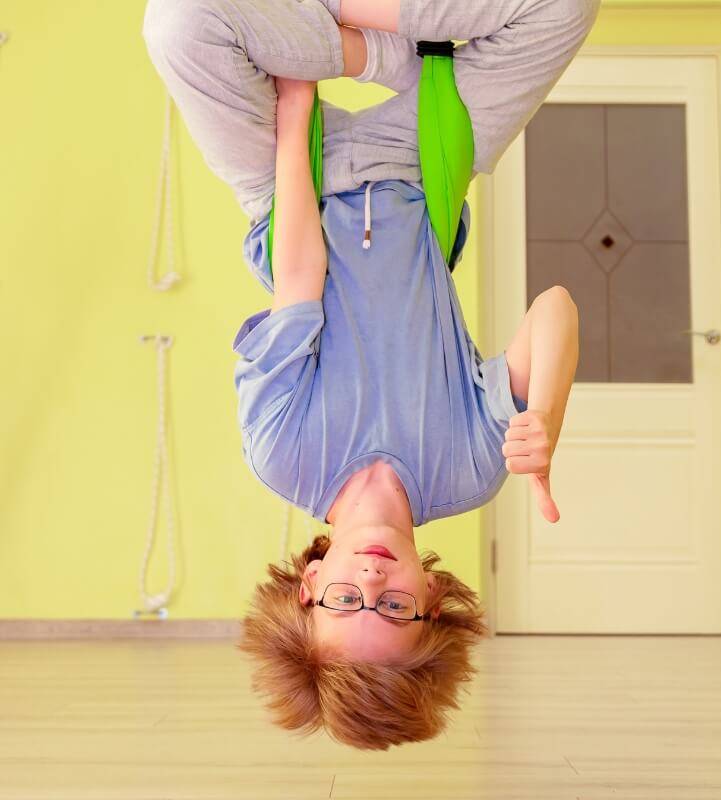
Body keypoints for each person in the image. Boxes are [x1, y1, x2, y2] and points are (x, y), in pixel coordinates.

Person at [142, 0, 597, 749]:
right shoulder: (470, 469)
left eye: (344, 602)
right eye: (393, 610)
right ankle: (376, 52)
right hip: (420, 160)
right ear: (433, 599)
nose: (372, 584)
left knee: (177, 24)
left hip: (284, 179)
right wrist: (545, 416)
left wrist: (297, 107)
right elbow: (556, 309)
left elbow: (299, 275)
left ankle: (375, 48)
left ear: (310, 588)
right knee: (564, 6)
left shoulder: (285, 457)